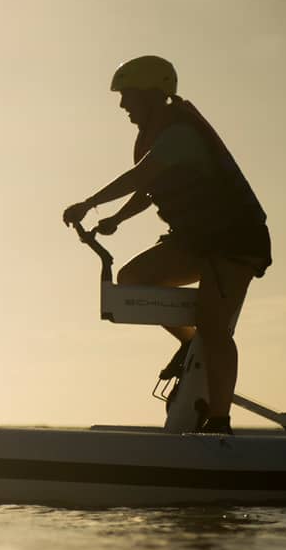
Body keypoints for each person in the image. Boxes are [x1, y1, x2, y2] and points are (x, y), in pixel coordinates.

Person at [62, 55, 271, 434]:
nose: (122, 105)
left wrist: (89, 204)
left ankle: (220, 422)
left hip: (235, 243)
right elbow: (149, 188)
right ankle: (192, 345)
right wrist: (117, 220)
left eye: (127, 96)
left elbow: (141, 175)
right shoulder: (158, 136)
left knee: (213, 325)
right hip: (198, 241)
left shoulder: (179, 135)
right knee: (133, 279)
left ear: (152, 95)